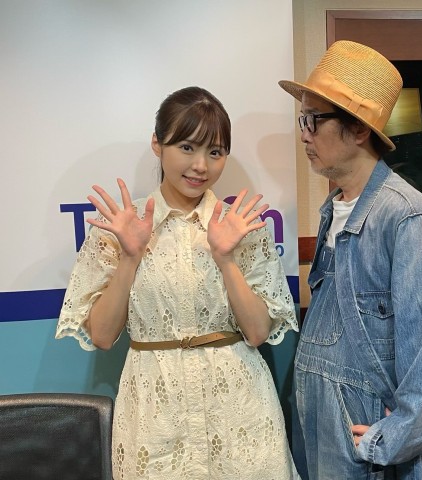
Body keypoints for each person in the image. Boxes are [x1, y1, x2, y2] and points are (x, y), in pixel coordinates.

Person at [55, 86, 300, 479]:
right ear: (158, 143)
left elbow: (257, 333)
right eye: (187, 147)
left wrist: (226, 259)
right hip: (154, 414)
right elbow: (101, 336)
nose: (201, 165)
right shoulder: (122, 227)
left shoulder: (241, 228)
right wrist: (130, 256)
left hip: (239, 412)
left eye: (215, 152)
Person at [279, 40, 422, 479]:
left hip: (368, 446)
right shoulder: (335, 208)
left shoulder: (403, 214)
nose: (304, 133)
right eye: (302, 119)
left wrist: (391, 437)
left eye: (314, 120)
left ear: (359, 130)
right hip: (327, 433)